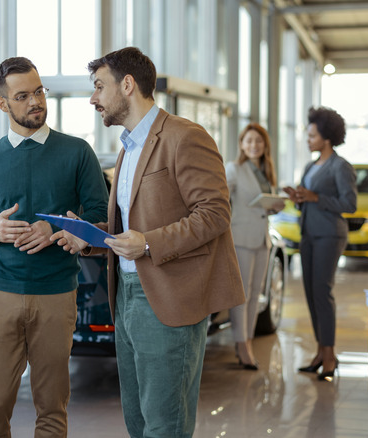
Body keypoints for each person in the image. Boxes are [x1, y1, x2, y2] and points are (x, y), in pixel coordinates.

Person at [52, 46, 245, 438]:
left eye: (98, 87)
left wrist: (149, 244)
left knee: (164, 423)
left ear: (127, 85)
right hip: (126, 294)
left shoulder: (184, 136)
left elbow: (215, 213)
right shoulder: (128, 148)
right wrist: (89, 237)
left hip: (170, 295)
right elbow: (132, 226)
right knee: (138, 420)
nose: (93, 98)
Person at [0, 56, 108, 438]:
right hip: (0, 294)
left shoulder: (77, 153)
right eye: (23, 95)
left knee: (52, 406)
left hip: (57, 295)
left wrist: (55, 226)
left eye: (39, 91)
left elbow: (98, 218)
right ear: (3, 103)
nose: (35, 101)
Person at [283, 106, 357, 381]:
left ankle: (329, 355)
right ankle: (320, 350)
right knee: (312, 295)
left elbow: (350, 204)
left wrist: (316, 198)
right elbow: (309, 199)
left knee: (322, 293)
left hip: (329, 234)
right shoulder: (310, 166)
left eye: (312, 135)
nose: (308, 140)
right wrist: (300, 197)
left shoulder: (341, 166)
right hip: (309, 234)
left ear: (326, 137)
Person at [225, 123, 285, 370]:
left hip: (262, 239)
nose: (253, 145)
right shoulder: (234, 169)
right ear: (241, 144)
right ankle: (241, 345)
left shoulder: (265, 171)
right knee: (242, 294)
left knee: (256, 294)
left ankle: (248, 339)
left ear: (264, 146)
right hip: (240, 238)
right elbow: (222, 198)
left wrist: (274, 205)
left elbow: (260, 204)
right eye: (249, 141)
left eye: (258, 141)